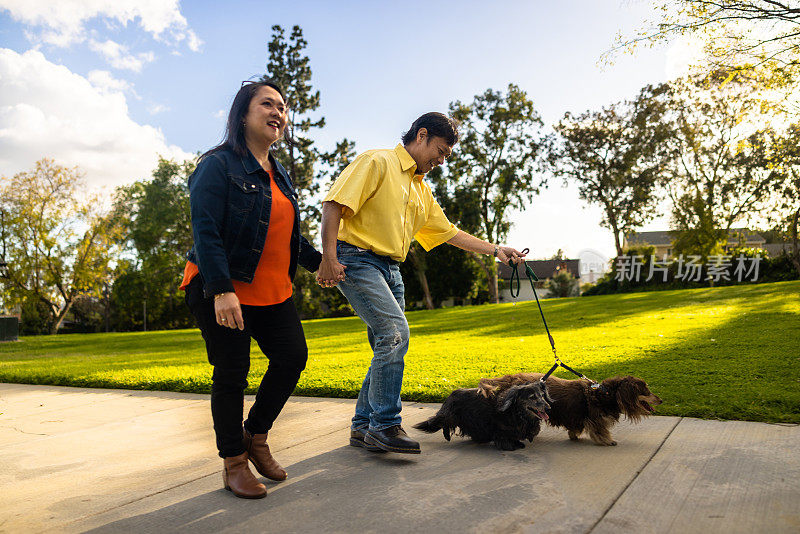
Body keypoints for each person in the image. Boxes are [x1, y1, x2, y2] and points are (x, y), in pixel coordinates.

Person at [316, 112, 527, 455]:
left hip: (391, 269)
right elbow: (333, 205)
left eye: (446, 156)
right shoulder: (377, 161)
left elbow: (450, 233)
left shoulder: (419, 190)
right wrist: (328, 257)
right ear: (422, 135)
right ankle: (384, 426)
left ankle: (361, 427)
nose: (441, 161)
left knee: (387, 344)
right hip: (355, 258)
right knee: (395, 335)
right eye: (440, 151)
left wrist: (496, 250)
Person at [180, 79, 322, 499]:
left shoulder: (279, 172)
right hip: (222, 289)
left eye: (282, 106)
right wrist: (222, 289)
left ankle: (255, 436)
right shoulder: (218, 164)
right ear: (243, 114)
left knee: (293, 357)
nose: (278, 112)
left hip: (273, 292)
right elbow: (204, 229)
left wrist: (325, 263)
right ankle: (234, 463)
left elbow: (289, 236)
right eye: (267, 104)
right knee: (232, 374)